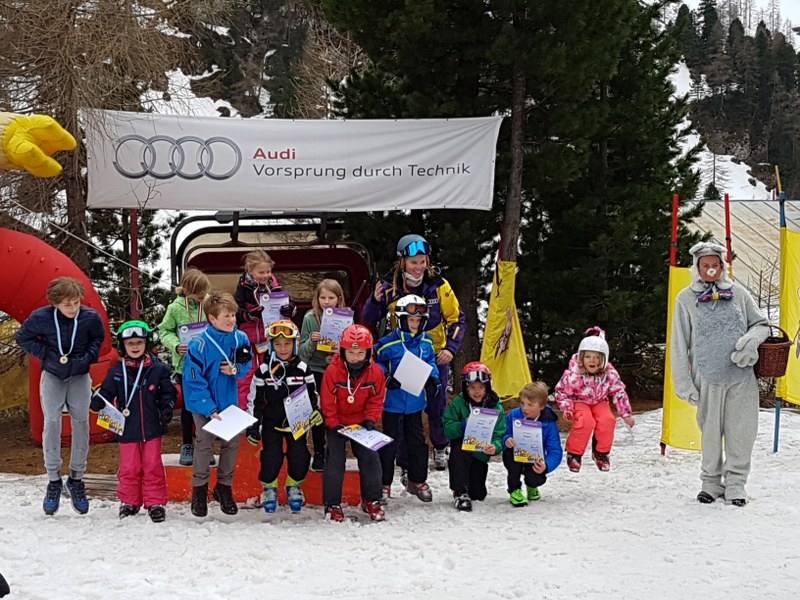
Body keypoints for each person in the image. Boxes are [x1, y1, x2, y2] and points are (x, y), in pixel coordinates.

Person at [671, 242, 769, 506]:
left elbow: (761, 324)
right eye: (706, 266)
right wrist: (684, 383)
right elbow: (679, 343)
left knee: (741, 432)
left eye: (715, 265)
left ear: (723, 266)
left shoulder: (739, 294)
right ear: (697, 267)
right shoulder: (685, 299)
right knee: (710, 434)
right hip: (707, 379)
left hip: (741, 378)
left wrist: (750, 342)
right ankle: (711, 483)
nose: (711, 270)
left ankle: (736, 483)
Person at [362, 234, 465, 471]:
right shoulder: (390, 288)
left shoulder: (439, 285)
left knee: (436, 404)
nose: (418, 267)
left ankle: (440, 445)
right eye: (413, 262)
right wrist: (375, 301)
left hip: (434, 355)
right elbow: (369, 319)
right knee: (404, 408)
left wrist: (451, 348)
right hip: (402, 357)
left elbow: (457, 319)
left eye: (422, 262)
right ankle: (404, 457)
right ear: (403, 263)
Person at [16, 276, 106, 516]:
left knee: (81, 423)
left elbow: (98, 338)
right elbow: (23, 337)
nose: (73, 308)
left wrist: (88, 357)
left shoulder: (89, 317)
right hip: (53, 375)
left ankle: (76, 478)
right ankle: (54, 479)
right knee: (52, 423)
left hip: (79, 375)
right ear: (55, 303)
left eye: (76, 302)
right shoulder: (41, 317)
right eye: (67, 304)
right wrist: (47, 355)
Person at [90, 320, 177, 522]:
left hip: (152, 427)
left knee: (152, 465)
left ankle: (155, 503)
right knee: (130, 467)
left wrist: (167, 407)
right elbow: (106, 392)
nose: (135, 347)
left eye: (139, 342)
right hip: (126, 428)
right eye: (130, 343)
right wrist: (98, 401)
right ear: (123, 346)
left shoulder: (159, 369)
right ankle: (129, 502)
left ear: (146, 343)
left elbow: (169, 393)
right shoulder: (116, 371)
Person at [183, 291, 253, 517]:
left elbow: (247, 362)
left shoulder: (240, 338)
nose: (232, 320)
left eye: (233, 315)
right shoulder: (199, 345)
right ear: (212, 319)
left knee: (231, 443)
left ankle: (224, 488)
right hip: (203, 404)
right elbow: (193, 381)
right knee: (204, 443)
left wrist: (236, 369)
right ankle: (199, 490)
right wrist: (209, 408)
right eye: (227, 316)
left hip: (228, 401)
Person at [245, 320, 323, 514]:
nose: (282, 348)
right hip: (272, 422)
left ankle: (294, 486)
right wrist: (253, 426)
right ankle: (269, 488)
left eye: (287, 343)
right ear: (271, 345)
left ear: (295, 344)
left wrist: (315, 411)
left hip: (297, 422)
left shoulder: (303, 368)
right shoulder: (264, 371)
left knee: (300, 456)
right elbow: (255, 400)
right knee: (271, 456)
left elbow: (313, 394)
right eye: (278, 344)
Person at [374, 294, 439, 504]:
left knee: (417, 441)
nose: (415, 324)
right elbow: (374, 362)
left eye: (419, 320)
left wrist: (434, 378)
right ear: (401, 319)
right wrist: (385, 376)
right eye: (411, 320)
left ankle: (417, 480)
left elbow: (431, 360)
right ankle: (384, 483)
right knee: (389, 442)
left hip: (415, 402)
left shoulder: (426, 341)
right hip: (392, 402)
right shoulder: (387, 343)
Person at [320, 324, 387, 522]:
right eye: (350, 352)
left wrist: (371, 419)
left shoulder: (376, 373)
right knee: (335, 460)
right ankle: (332, 504)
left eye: (360, 353)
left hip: (361, 423)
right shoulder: (333, 371)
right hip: (337, 423)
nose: (355, 357)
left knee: (370, 458)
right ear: (343, 352)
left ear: (368, 352)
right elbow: (327, 400)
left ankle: (371, 500)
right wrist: (333, 423)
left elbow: (376, 399)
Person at [555, 326, 635, 473]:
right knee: (585, 421)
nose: (592, 361)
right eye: (588, 357)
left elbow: (619, 392)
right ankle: (574, 454)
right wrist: (567, 408)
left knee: (607, 420)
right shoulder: (573, 375)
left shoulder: (609, 374)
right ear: (581, 358)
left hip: (599, 401)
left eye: (596, 357)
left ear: (603, 359)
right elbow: (561, 391)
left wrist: (626, 414)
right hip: (579, 401)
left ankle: (601, 453)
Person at [157, 267, 211, 466]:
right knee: (189, 408)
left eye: (204, 291)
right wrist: (176, 345)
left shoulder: (209, 303)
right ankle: (187, 444)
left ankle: (205, 445)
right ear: (187, 290)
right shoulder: (175, 308)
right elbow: (164, 331)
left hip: (208, 363)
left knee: (208, 405)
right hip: (185, 365)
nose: (203, 295)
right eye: (199, 292)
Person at [234, 249, 295, 411]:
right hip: (249, 342)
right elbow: (236, 312)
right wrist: (249, 315)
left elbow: (289, 303)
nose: (265, 275)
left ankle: (271, 412)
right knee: (247, 377)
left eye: (268, 271)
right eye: (261, 272)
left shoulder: (275, 286)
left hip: (272, 340)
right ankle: (244, 414)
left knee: (273, 374)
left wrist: (290, 308)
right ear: (250, 270)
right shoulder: (243, 288)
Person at [442, 361, 506, 512]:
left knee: (478, 494)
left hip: (480, 453)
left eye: (481, 387)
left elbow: (500, 433)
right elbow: (447, 428)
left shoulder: (496, 407)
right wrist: (462, 426)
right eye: (472, 387)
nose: (477, 392)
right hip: (463, 448)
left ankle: (470, 488)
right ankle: (460, 492)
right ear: (466, 387)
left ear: (487, 387)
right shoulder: (459, 403)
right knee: (458, 449)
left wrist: (496, 446)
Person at [298, 278, 347, 472]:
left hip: (337, 371)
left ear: (339, 299)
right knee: (317, 411)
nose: (327, 302)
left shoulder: (345, 317)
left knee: (336, 412)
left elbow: (353, 349)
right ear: (317, 299)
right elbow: (302, 353)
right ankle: (318, 451)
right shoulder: (310, 318)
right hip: (316, 371)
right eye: (323, 297)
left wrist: (341, 349)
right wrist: (312, 341)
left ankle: (335, 451)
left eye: (331, 298)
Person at [502, 382, 563, 507]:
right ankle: (514, 490)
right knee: (512, 463)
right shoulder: (514, 415)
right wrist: (506, 439)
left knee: (536, 478)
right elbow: (502, 432)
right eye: (522, 403)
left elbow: (555, 450)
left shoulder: (549, 422)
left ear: (542, 406)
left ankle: (532, 485)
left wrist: (546, 466)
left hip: (535, 456)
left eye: (530, 405)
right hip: (515, 454)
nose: (525, 408)